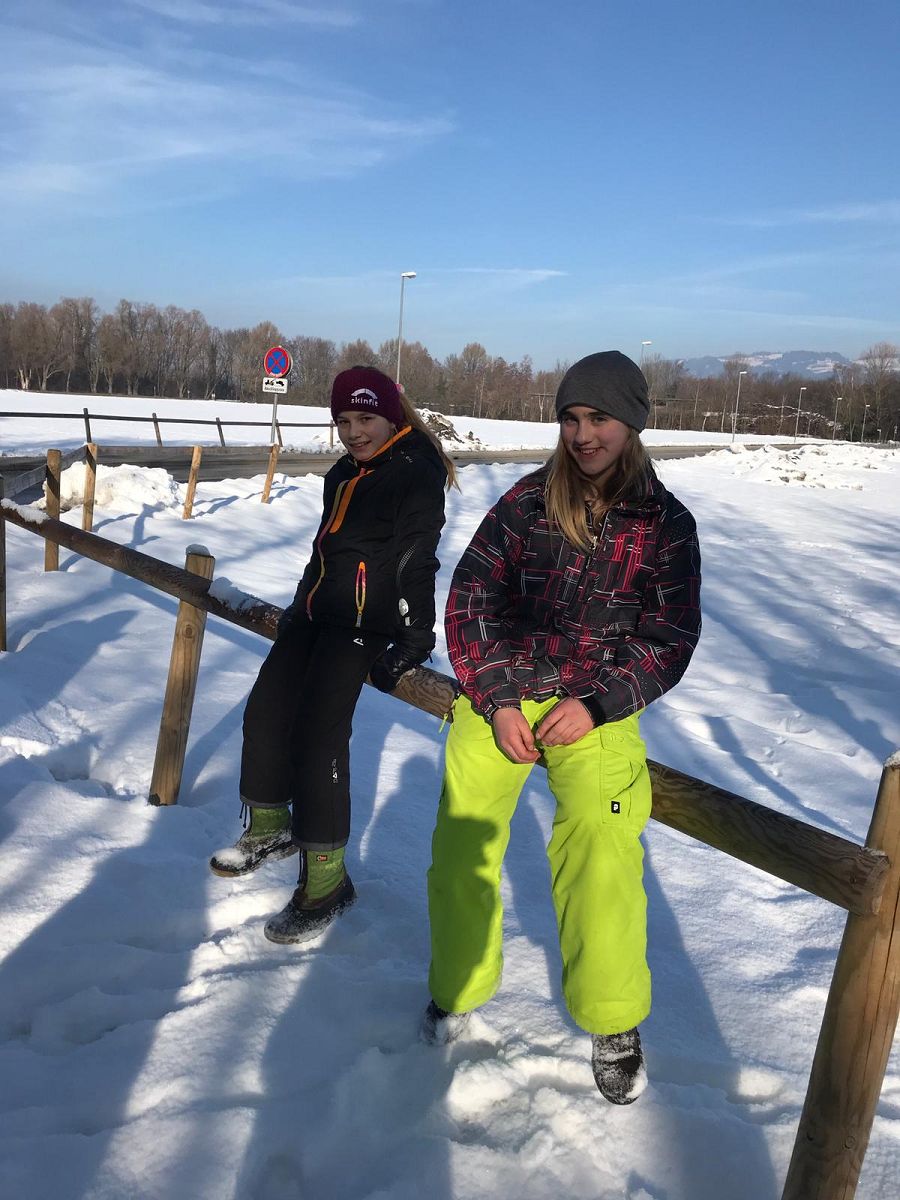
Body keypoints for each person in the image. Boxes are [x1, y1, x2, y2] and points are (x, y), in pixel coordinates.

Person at [421, 351, 701, 1105]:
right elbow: (471, 597)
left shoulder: (666, 525)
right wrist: (498, 697)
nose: (583, 434)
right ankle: (456, 987)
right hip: (505, 694)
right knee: (463, 841)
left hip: (596, 706)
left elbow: (669, 638)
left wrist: (601, 703)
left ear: (631, 422)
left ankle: (612, 1018)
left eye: (598, 418)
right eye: (572, 418)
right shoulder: (525, 502)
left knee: (601, 847)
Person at [210, 365, 456, 944]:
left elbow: (417, 559)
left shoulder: (415, 472)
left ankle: (326, 884)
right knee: (265, 711)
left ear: (391, 417)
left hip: (366, 623)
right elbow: (323, 549)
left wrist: (415, 639)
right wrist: (301, 604)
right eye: (343, 420)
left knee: (319, 740)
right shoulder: (343, 472)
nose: (353, 432)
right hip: (318, 614)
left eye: (365, 418)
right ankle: (269, 828)